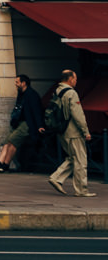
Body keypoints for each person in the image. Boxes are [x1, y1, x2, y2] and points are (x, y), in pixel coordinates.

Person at [50, 68, 95, 198]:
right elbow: (78, 114)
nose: (76, 81)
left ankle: (56, 178)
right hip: (73, 132)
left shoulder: (57, 91)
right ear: (70, 79)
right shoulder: (71, 93)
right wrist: (85, 131)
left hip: (62, 131)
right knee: (80, 160)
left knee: (72, 158)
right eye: (75, 78)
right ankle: (81, 190)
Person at [0, 74, 45, 173]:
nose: (15, 84)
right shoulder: (22, 94)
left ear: (23, 83)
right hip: (19, 123)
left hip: (27, 124)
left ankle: (5, 165)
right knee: (7, 141)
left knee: (13, 141)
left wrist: (40, 126)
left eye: (17, 82)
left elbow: (37, 111)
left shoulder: (32, 95)